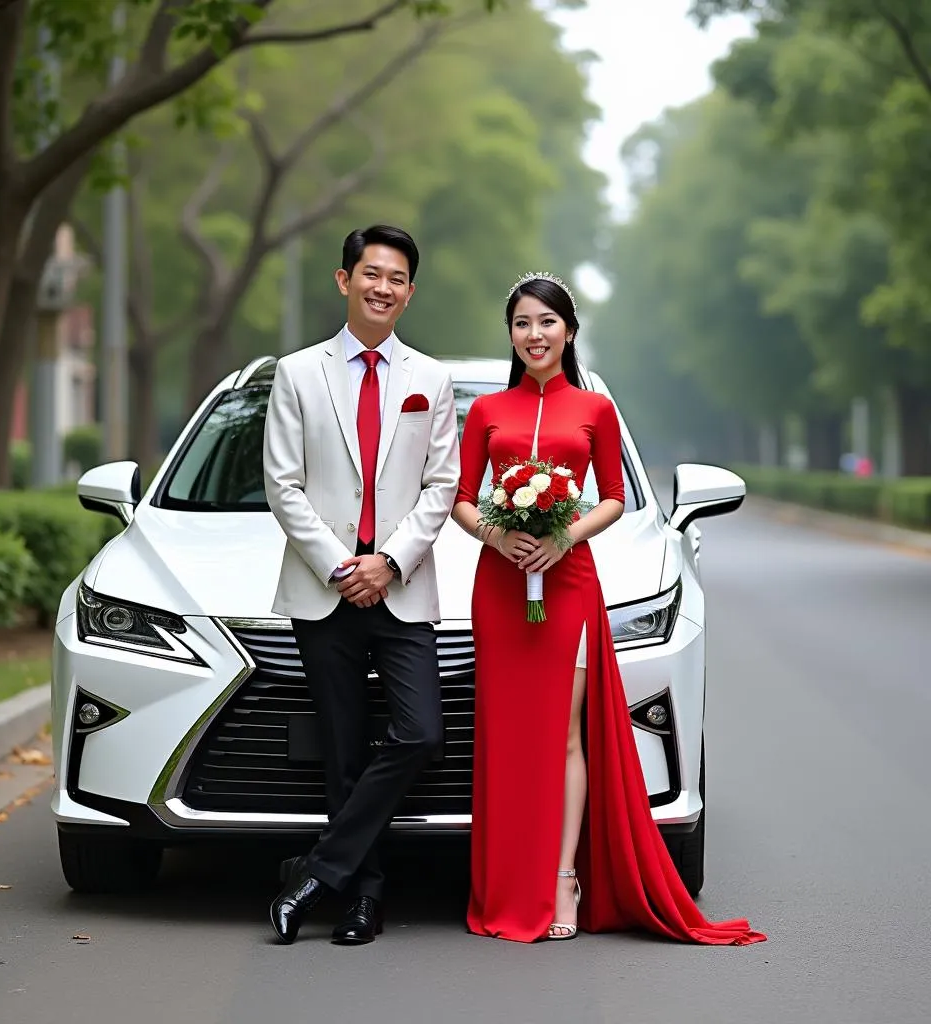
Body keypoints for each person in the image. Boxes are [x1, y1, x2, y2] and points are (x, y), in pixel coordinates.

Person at [451, 271, 765, 945]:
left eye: (546, 322)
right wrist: (499, 534)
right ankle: (505, 883)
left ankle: (563, 879)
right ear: (511, 334)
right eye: (522, 324)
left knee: (564, 735)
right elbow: (461, 500)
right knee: (505, 735)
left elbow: (616, 499)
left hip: (568, 582)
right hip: (500, 585)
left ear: (568, 330)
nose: (534, 335)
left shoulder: (594, 411)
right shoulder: (487, 413)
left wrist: (563, 534)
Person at [262, 224, 460, 945]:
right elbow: (283, 486)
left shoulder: (429, 380)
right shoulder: (297, 373)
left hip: (402, 587)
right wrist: (343, 567)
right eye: (371, 273)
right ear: (344, 280)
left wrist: (390, 562)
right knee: (343, 749)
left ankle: (315, 872)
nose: (384, 287)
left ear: (410, 291)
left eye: (398, 277)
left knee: (419, 732)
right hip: (325, 590)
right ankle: (362, 899)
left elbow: (442, 486)